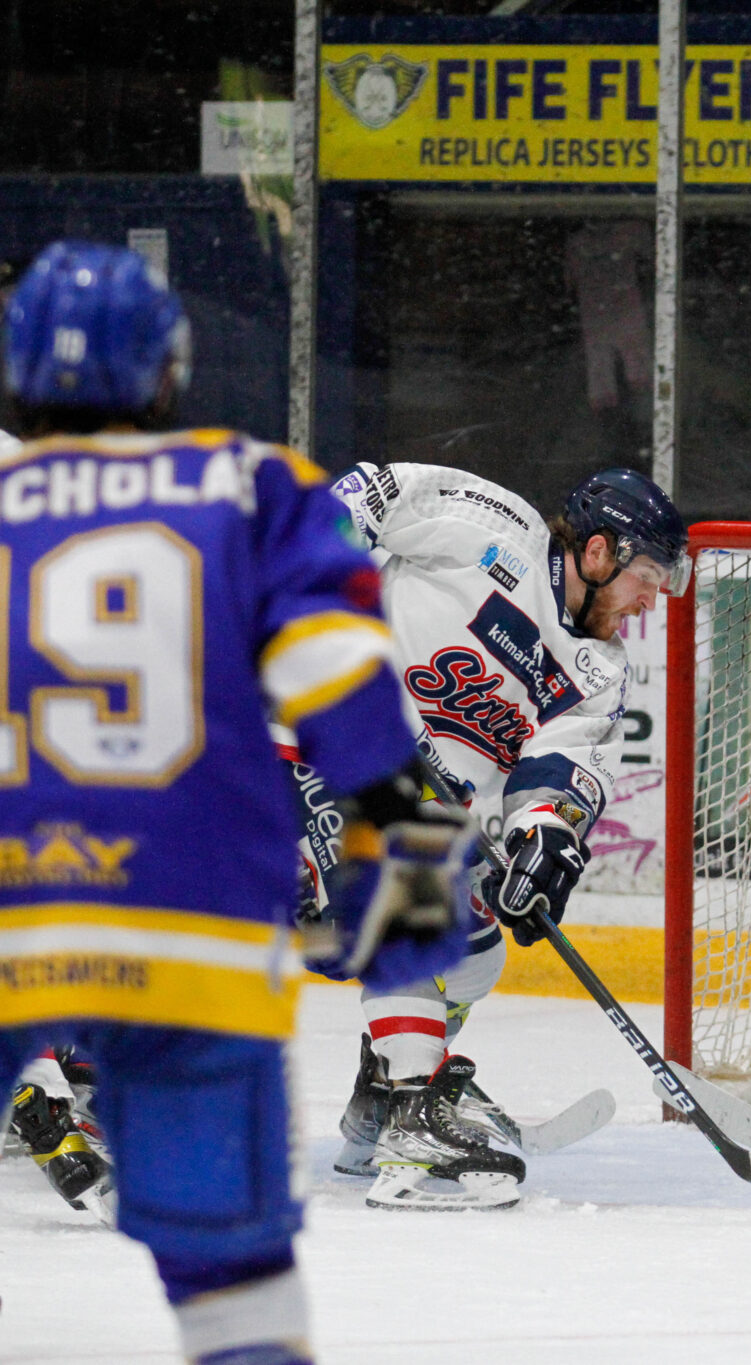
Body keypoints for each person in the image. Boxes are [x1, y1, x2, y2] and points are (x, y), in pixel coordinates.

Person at [0, 240, 471, 1364]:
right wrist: (408, 905)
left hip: (17, 923)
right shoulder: (251, 485)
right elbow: (355, 718)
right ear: (169, 373)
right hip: (194, 941)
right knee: (235, 1302)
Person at [324, 458, 686, 1209]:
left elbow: (558, 771)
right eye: (646, 573)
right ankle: (414, 1122)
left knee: (474, 948)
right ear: (597, 552)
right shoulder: (491, 525)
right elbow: (369, 492)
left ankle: (386, 1091)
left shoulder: (598, 671)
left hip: (390, 806)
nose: (652, 599)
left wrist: (545, 840)